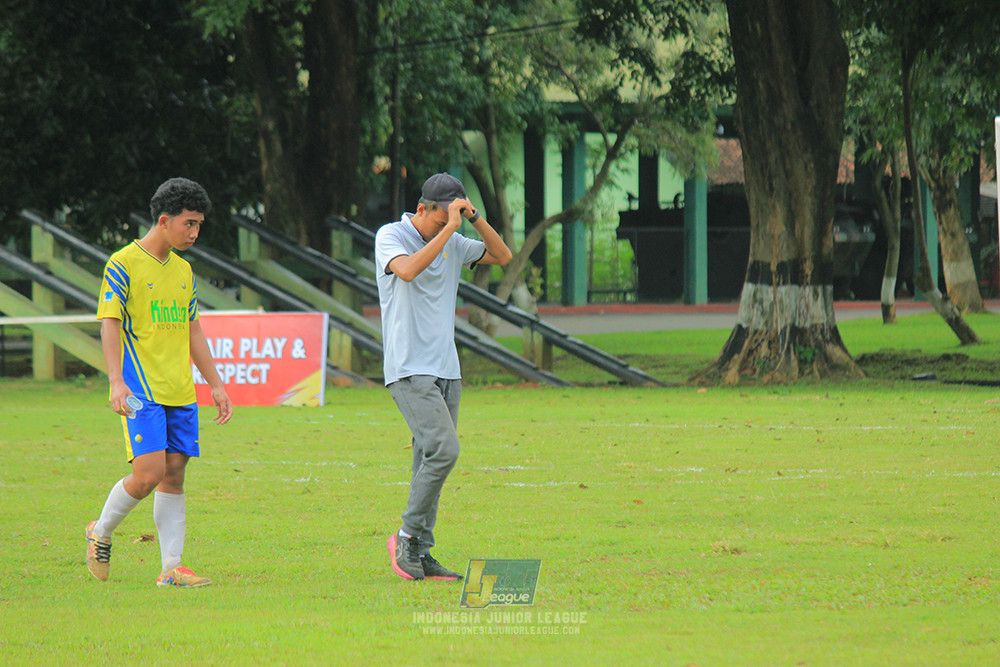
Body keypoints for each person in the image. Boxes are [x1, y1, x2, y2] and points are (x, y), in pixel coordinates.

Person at [85, 177, 233, 587]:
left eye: (199, 224)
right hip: (140, 388)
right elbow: (109, 323)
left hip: (180, 389)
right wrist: (116, 381)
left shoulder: (184, 270)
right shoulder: (122, 263)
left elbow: (194, 331)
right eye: (189, 224)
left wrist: (215, 384)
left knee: (174, 475)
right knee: (148, 473)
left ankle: (171, 568)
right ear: (165, 220)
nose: (195, 233)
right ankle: (101, 532)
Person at [375, 172, 512, 581]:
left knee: (427, 460)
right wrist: (449, 228)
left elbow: (502, 256)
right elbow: (409, 271)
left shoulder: (454, 237)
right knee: (445, 450)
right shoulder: (392, 235)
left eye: (450, 218)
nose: (445, 225)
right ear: (422, 209)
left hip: (446, 368)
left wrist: (473, 219)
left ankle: (420, 552)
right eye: (440, 218)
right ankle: (405, 536)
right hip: (408, 366)